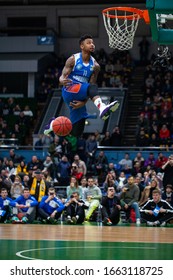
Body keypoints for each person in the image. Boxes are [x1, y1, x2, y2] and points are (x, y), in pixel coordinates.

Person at [44, 34, 119, 137]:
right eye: (88, 43)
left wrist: (84, 102)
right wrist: (62, 80)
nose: (92, 45)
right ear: (82, 46)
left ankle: (52, 125)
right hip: (69, 88)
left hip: (81, 92)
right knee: (90, 88)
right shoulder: (73, 59)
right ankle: (101, 107)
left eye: (92, 43)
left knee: (77, 132)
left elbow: (91, 87)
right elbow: (62, 77)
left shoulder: (95, 66)